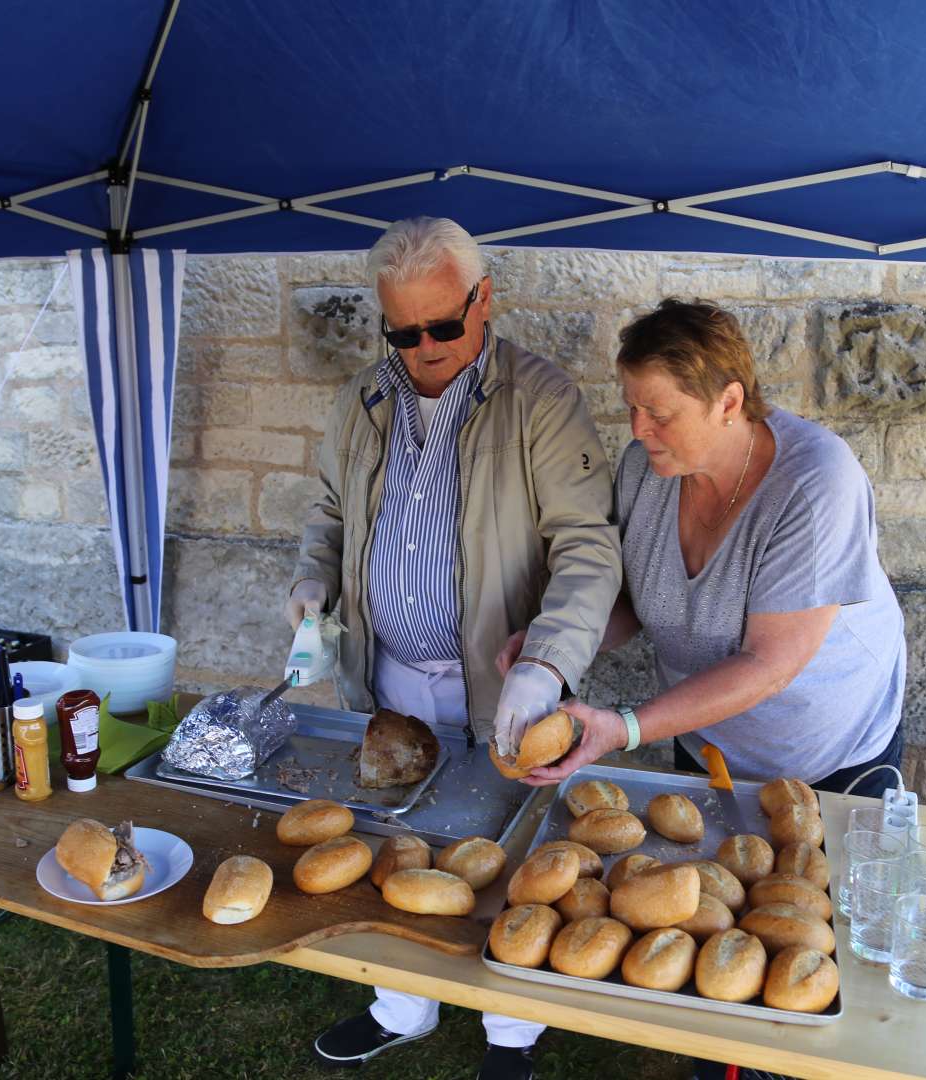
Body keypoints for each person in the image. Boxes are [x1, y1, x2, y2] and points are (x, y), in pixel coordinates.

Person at [501, 298, 905, 1080]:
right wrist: (553, 651)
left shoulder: (815, 484)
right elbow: (632, 604)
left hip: (828, 750)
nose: (638, 431)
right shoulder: (648, 472)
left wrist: (623, 726)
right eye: (632, 408)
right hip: (705, 735)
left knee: (814, 951)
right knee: (714, 922)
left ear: (729, 401)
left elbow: (769, 663)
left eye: (659, 413)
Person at [286, 216, 621, 1080]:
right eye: (402, 332)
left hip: (501, 682)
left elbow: (588, 546)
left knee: (508, 854)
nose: (424, 348)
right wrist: (313, 586)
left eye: (442, 325)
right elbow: (329, 513)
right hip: (388, 676)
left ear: (484, 299)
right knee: (398, 846)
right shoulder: (363, 398)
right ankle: (402, 1004)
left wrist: (548, 663)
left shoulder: (539, 399)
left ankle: (510, 1032)